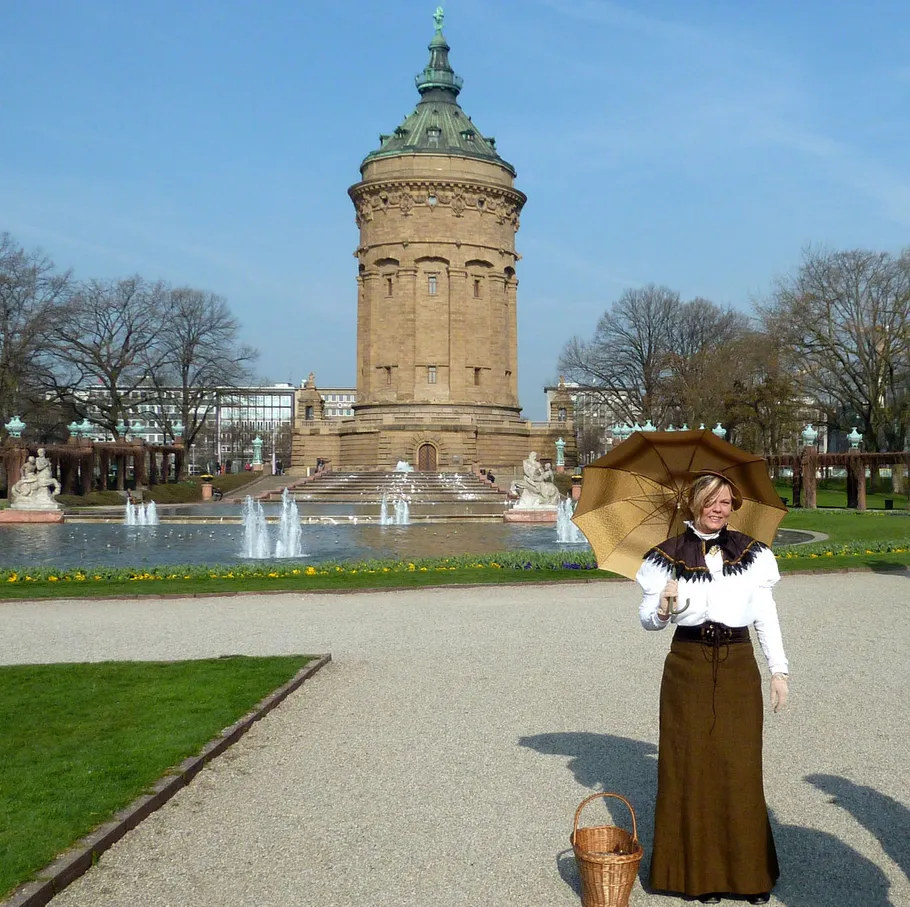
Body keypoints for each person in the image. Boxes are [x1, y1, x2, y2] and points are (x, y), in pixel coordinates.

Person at [635, 472, 789, 905]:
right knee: (693, 768)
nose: (721, 509)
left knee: (739, 768)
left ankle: (749, 876)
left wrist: (779, 670)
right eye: (713, 501)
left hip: (739, 664)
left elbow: (765, 615)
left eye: (727, 502)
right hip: (687, 666)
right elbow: (647, 620)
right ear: (695, 503)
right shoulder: (665, 558)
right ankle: (699, 876)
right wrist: (664, 607)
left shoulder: (753, 554)